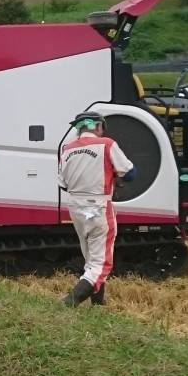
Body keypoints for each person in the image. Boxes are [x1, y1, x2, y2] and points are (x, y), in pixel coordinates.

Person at [58, 111, 135, 307]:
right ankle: (68, 303)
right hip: (98, 205)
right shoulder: (107, 144)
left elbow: (63, 184)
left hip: (75, 207)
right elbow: (130, 173)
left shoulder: (67, 148)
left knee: (91, 259)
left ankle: (98, 306)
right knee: (102, 264)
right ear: (98, 126)